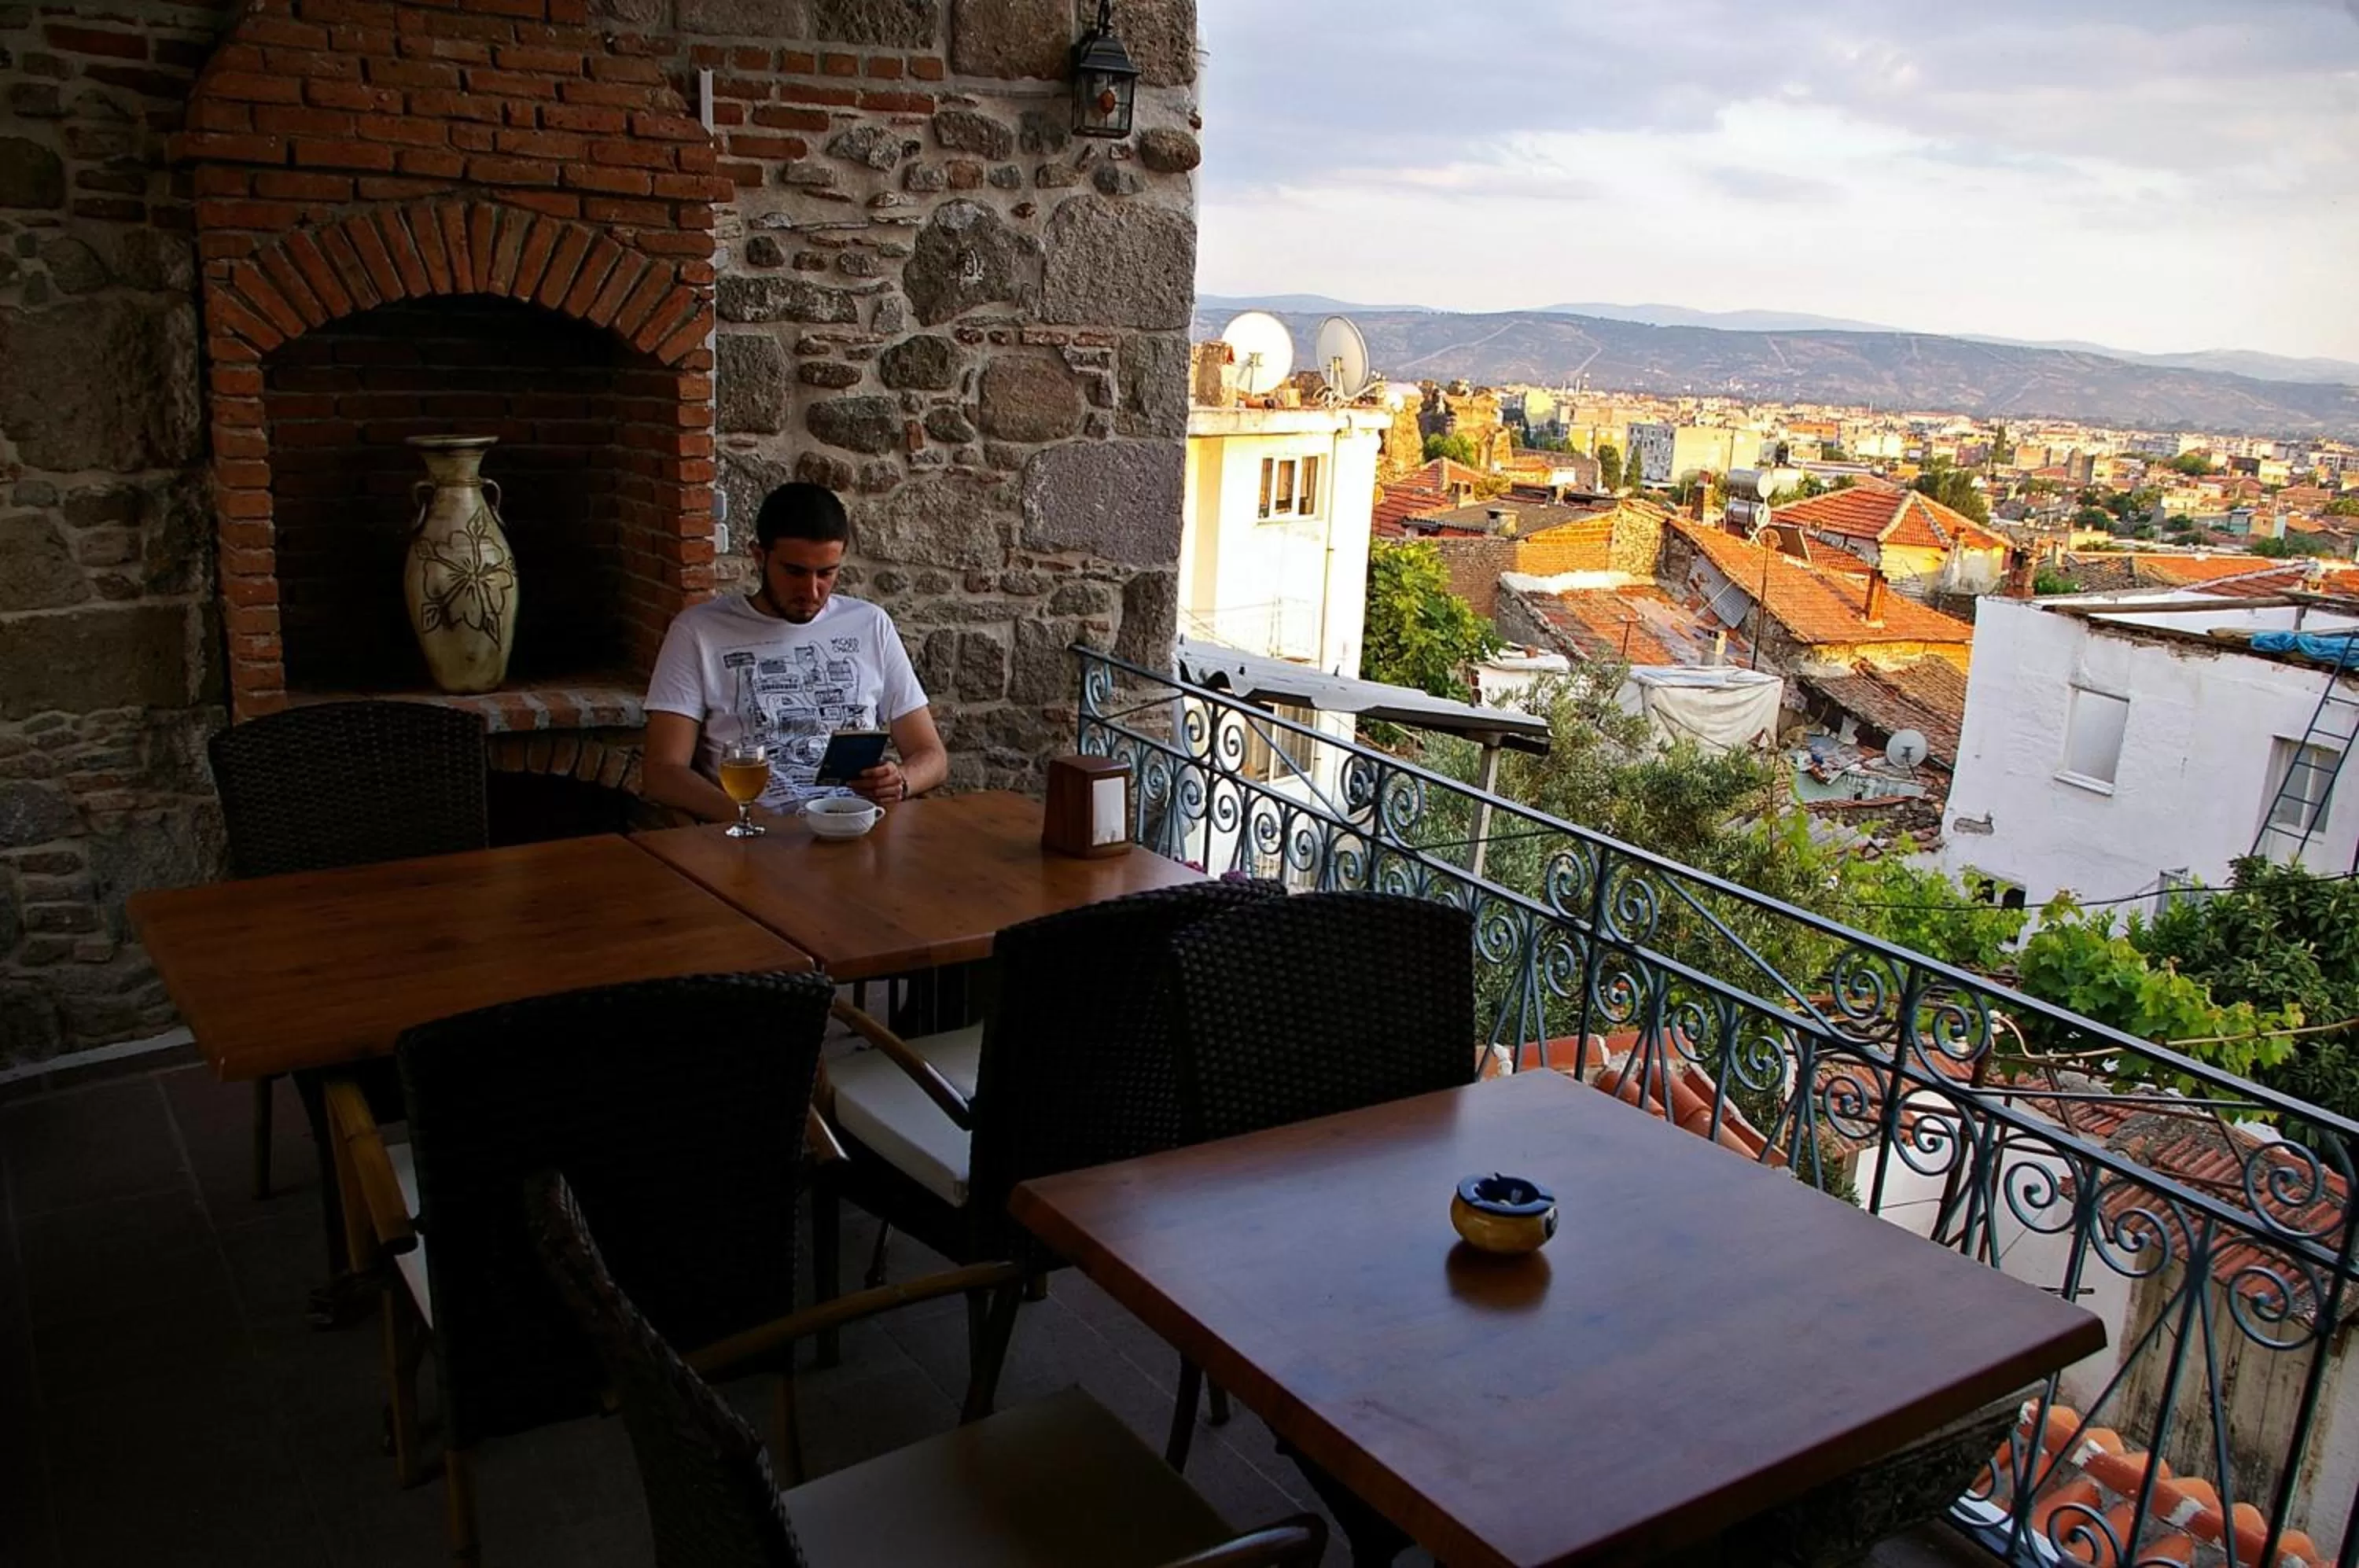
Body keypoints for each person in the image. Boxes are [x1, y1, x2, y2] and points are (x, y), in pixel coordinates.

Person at [642, 482, 948, 823]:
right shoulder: (698, 631)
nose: (811, 590)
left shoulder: (870, 624)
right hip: (756, 838)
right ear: (759, 556)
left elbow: (931, 755)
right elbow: (662, 772)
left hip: (858, 827)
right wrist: (749, 817)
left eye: (826, 573)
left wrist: (901, 781)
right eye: (795, 572)